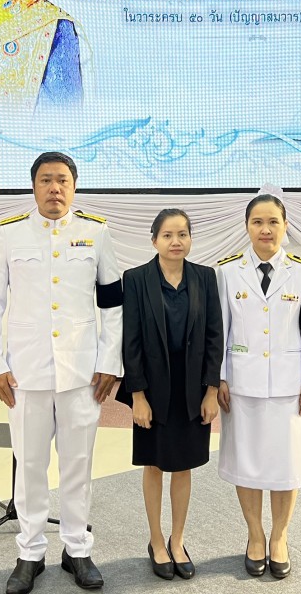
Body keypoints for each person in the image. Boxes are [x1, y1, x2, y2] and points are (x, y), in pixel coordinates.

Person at [0, 152, 123, 594]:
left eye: (62, 180)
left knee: (78, 465)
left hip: (82, 373)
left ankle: (77, 548)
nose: (54, 188)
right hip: (26, 372)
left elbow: (113, 304)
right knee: (30, 466)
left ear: (74, 187)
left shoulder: (96, 233)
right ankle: (30, 552)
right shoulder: (9, 235)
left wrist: (109, 361)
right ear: (34, 186)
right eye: (46, 180)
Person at [215, 194, 301, 580]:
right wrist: (219, 376)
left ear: (285, 226)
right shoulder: (228, 271)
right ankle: (255, 535)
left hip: (289, 385)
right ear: (247, 226)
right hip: (241, 383)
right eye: (257, 222)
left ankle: (279, 536)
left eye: (273, 222)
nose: (265, 229)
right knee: (246, 462)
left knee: (286, 464)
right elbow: (220, 328)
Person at [115, 209, 223, 580]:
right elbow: (130, 342)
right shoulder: (136, 279)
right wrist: (138, 396)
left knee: (183, 465)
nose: (176, 241)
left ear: (190, 239)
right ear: (154, 240)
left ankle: (178, 540)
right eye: (167, 235)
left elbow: (214, 336)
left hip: (192, 389)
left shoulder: (205, 277)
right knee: (154, 464)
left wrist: (211, 390)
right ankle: (156, 540)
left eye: (182, 234)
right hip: (152, 388)